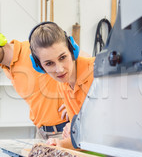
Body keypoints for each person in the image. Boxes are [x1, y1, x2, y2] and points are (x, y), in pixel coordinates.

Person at [0, 27, 68, 139]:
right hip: (42, 133)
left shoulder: (32, 49)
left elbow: (82, 65)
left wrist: (77, 103)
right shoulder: (6, 68)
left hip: (64, 131)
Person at [28, 21, 95, 149]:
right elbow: (81, 136)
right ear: (39, 66)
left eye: (62, 57)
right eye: (49, 64)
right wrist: (60, 144)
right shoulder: (63, 84)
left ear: (72, 50)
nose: (59, 69)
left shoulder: (98, 71)